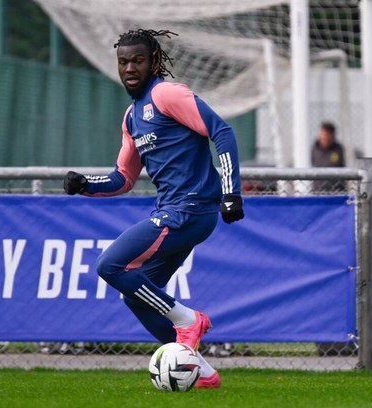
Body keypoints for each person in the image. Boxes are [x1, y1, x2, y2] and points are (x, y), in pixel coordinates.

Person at [63, 29, 244, 389]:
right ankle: (203, 373)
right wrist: (86, 185)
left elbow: (221, 132)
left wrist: (231, 193)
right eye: (123, 61)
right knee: (136, 296)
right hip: (175, 210)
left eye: (138, 60)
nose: (130, 68)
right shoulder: (132, 117)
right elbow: (123, 178)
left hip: (190, 210)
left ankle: (189, 321)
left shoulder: (166, 94)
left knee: (110, 265)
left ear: (154, 62)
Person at [311, 121, 345, 192]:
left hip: (336, 191)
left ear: (332, 136)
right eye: (322, 134)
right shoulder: (315, 149)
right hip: (318, 191)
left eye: (327, 135)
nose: (324, 137)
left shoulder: (338, 149)